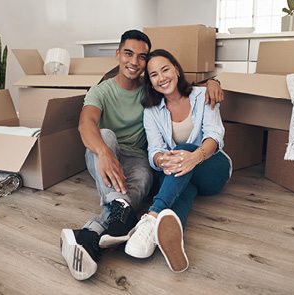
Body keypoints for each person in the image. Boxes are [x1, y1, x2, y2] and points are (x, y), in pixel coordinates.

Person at [60, 30, 224, 281]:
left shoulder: (175, 93)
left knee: (174, 167)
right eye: (128, 54)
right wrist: (107, 153)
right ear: (118, 54)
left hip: (163, 162)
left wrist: (215, 82)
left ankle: (121, 226)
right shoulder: (117, 96)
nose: (134, 62)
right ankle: (138, 227)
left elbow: (203, 116)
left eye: (142, 57)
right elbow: (87, 125)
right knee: (106, 136)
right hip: (118, 157)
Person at [124, 49, 232, 273]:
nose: (161, 78)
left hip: (213, 169)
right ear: (151, 82)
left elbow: (215, 136)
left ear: (177, 69)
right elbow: (154, 150)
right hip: (183, 174)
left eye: (165, 70)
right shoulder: (151, 111)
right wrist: (162, 160)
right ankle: (166, 237)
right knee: (184, 185)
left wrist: (194, 157)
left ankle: (152, 217)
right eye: (154, 75)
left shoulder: (203, 95)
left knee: (181, 152)